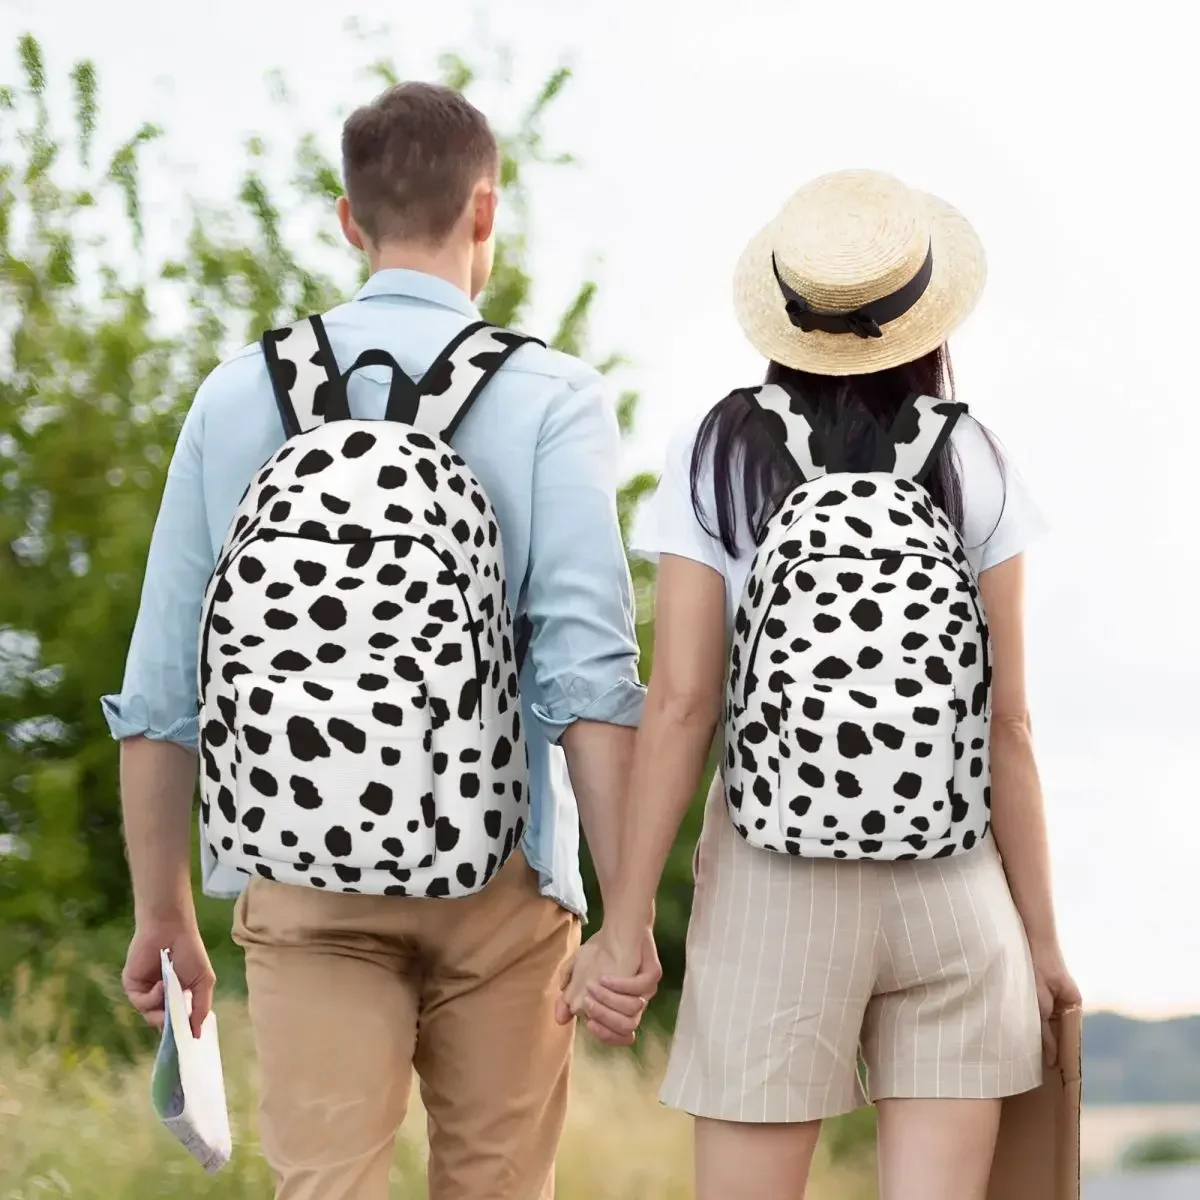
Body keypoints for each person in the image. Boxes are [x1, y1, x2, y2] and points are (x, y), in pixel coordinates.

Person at [104, 81, 660, 1200]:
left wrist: (162, 912)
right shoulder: (551, 395)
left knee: (326, 1186)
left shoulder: (234, 396)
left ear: (350, 220)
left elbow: (164, 685)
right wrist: (627, 915)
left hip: (302, 874)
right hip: (503, 878)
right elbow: (589, 679)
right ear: (486, 212)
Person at [561, 169, 1081, 1200]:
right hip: (954, 886)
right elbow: (1009, 723)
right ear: (925, 316)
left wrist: (624, 927)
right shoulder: (975, 456)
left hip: (774, 884)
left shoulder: (718, 451)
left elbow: (681, 705)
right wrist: (1043, 944)